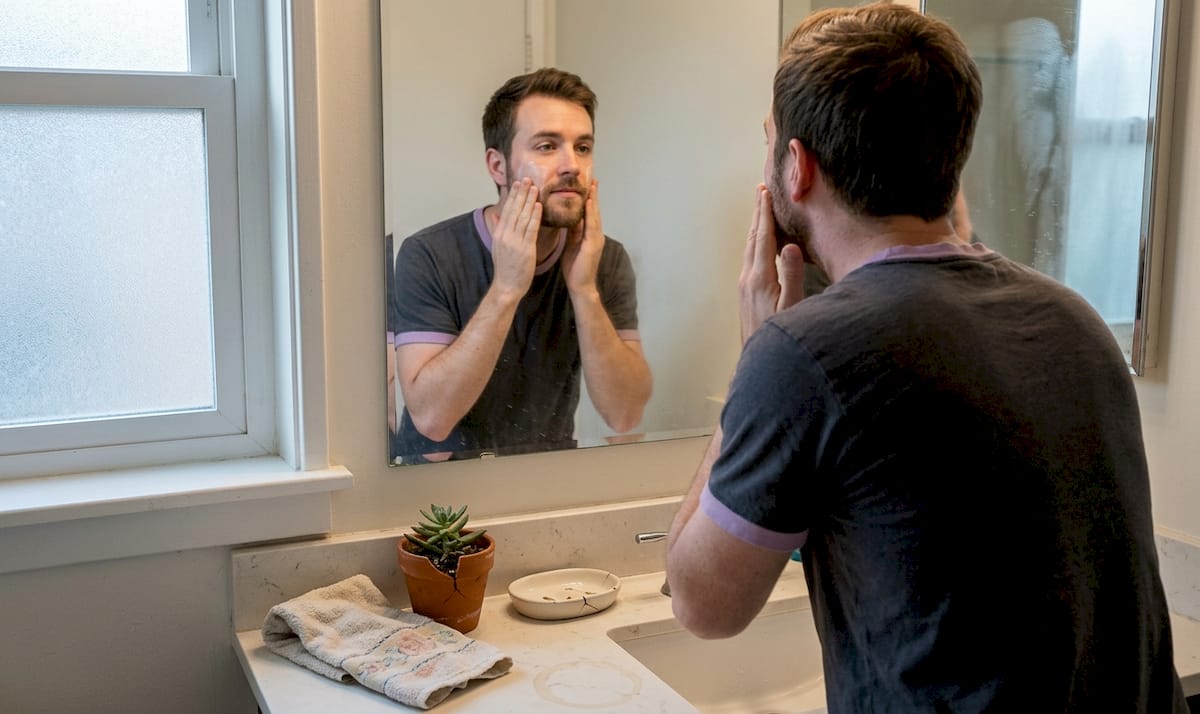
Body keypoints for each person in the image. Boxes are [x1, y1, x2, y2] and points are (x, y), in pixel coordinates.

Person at [665, 5, 1187, 712]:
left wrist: (756, 354)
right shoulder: (1075, 321)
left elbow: (702, 604)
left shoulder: (802, 354)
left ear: (796, 167)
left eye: (769, 141)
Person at [391, 68, 652, 462]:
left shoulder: (604, 258)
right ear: (497, 167)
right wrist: (506, 289)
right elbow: (431, 418)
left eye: (583, 147)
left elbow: (625, 414)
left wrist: (584, 290)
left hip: (543, 479)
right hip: (435, 504)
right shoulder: (429, 254)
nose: (571, 166)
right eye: (547, 146)